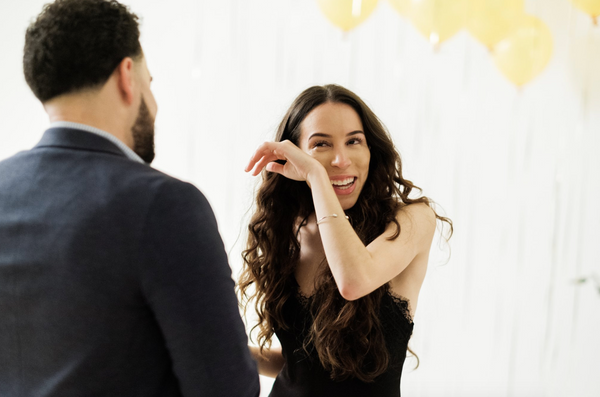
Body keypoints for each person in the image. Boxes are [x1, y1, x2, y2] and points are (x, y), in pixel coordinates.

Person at [0, 1, 259, 396]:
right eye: (150, 82)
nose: (153, 105)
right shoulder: (165, 205)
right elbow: (227, 388)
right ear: (127, 76)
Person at [239, 84, 452, 396]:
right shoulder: (287, 230)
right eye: (321, 145)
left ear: (371, 149)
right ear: (294, 154)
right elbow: (302, 367)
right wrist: (227, 348)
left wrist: (316, 175)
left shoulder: (413, 220)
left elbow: (354, 280)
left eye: (354, 141)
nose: (340, 159)